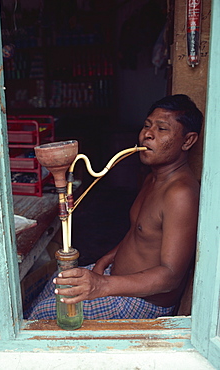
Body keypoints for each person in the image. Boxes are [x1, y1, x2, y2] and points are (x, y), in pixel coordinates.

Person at [27, 94, 203, 320]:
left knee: (42, 314)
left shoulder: (181, 194)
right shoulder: (153, 179)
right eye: (147, 126)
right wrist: (104, 261)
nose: (147, 135)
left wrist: (102, 285)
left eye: (162, 129)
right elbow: (138, 234)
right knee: (55, 285)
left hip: (140, 302)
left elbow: (170, 277)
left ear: (187, 141)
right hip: (114, 279)